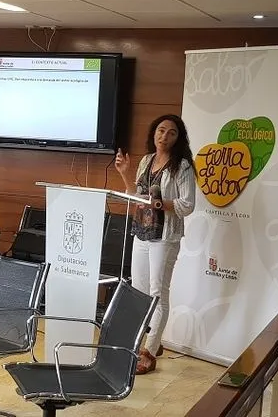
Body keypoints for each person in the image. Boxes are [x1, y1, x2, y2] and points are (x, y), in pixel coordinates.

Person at [114, 114, 196, 375]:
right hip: (141, 232)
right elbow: (136, 197)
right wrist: (125, 174)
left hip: (165, 236)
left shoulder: (182, 166)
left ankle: (148, 353)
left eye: (171, 133)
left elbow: (187, 205)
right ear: (153, 133)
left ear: (178, 138)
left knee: (157, 293)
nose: (164, 136)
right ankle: (149, 341)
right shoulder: (146, 161)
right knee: (139, 293)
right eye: (161, 130)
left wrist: (159, 204)